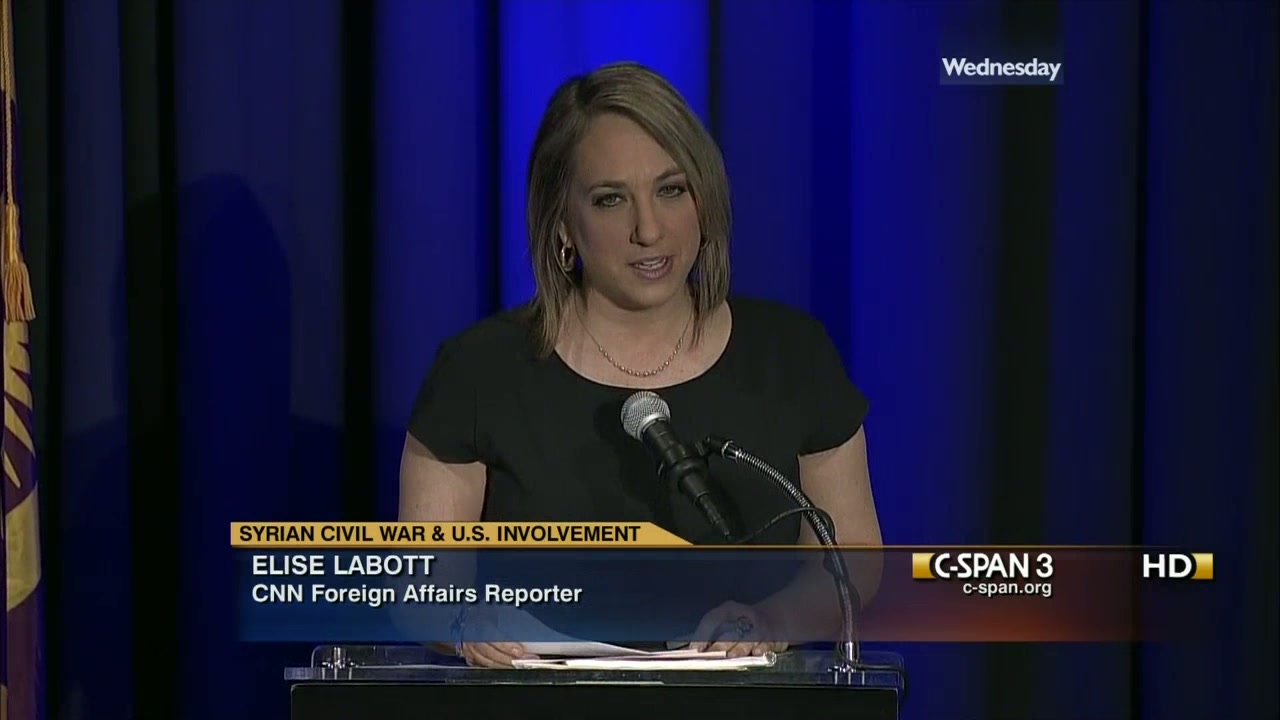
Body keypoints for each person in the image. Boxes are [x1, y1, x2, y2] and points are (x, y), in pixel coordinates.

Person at [398, 61, 883, 668]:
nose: (648, 230)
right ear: (562, 226)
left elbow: (852, 561)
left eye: (671, 190)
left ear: (704, 199)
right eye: (610, 200)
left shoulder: (792, 356)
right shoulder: (479, 371)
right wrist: (468, 623)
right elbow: (422, 588)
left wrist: (771, 621)